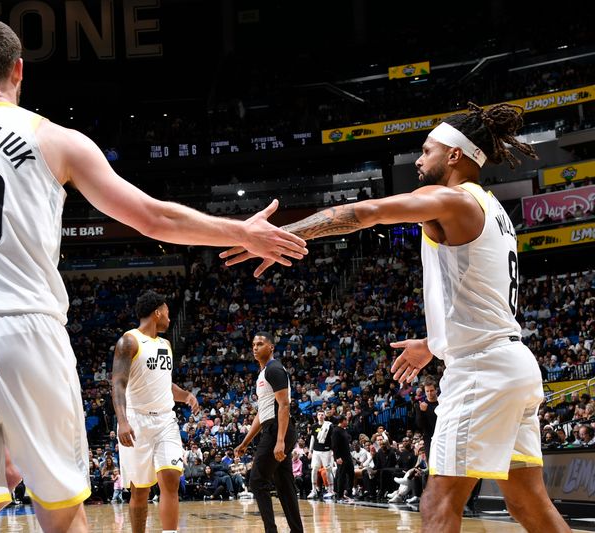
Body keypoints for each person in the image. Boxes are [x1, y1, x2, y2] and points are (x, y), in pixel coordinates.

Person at [0, 18, 306, 533]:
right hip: (26, 334)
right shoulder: (53, 138)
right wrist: (241, 233)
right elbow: (152, 216)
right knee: (60, 511)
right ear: (19, 70)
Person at [223, 103, 572, 532]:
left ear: (456, 156)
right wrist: (434, 343)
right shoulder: (494, 210)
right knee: (528, 502)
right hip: (514, 365)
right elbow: (482, 297)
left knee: (438, 502)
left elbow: (361, 214)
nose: (419, 160)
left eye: (427, 150)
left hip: (481, 369)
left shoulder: (449, 198)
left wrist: (278, 236)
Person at [111, 290, 199, 533]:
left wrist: (185, 395)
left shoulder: (166, 344)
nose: (170, 320)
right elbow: (118, 383)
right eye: (168, 314)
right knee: (140, 491)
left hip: (166, 421)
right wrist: (122, 421)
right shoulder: (129, 341)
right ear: (157, 312)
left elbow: (163, 383)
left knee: (171, 478)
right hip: (136, 422)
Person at [235, 332, 304, 533]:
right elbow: (262, 413)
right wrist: (246, 442)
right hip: (273, 427)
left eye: (260, 344)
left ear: (271, 347)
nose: (255, 348)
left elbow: (284, 405)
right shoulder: (263, 373)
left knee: (257, 481)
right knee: (284, 484)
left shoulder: (274, 369)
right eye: (253, 344)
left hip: (278, 429)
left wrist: (280, 440)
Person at [306, 410, 333, 499]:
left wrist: (332, 450)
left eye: (322, 415)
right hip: (316, 451)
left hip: (326, 451)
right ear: (317, 416)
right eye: (319, 415)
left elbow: (332, 438)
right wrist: (310, 451)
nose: (321, 416)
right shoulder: (314, 426)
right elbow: (312, 439)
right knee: (314, 469)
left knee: (328, 470)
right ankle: (314, 490)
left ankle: (330, 490)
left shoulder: (329, 426)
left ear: (324, 416)